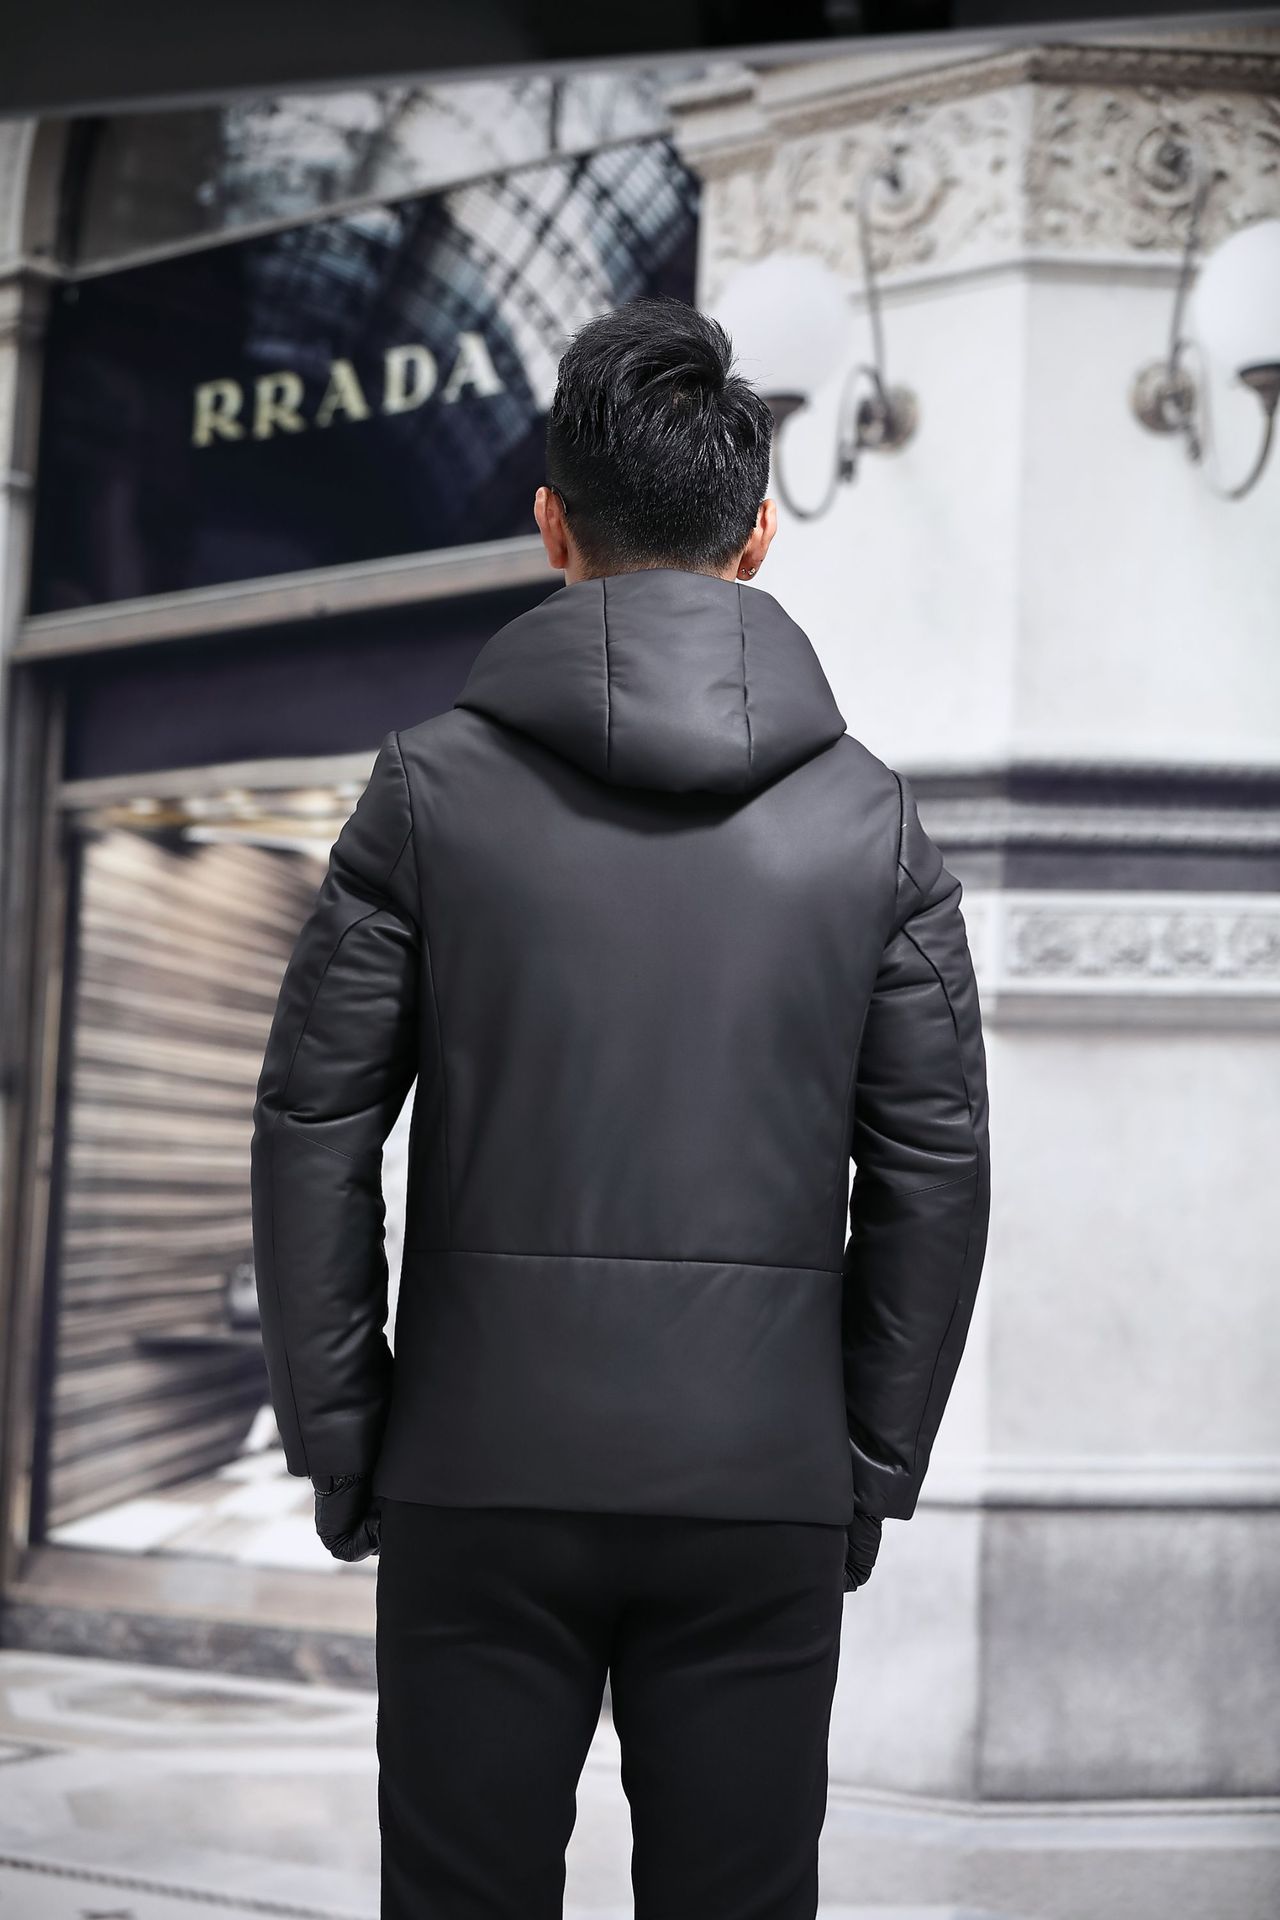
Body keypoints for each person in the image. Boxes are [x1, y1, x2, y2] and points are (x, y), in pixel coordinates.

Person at [250, 294, 991, 1920]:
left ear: (549, 529)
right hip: (757, 1481)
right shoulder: (872, 826)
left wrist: (347, 1437)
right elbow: (934, 1171)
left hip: (476, 1471)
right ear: (758, 538)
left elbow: (313, 1130)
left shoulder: (426, 794)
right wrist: (865, 1461)